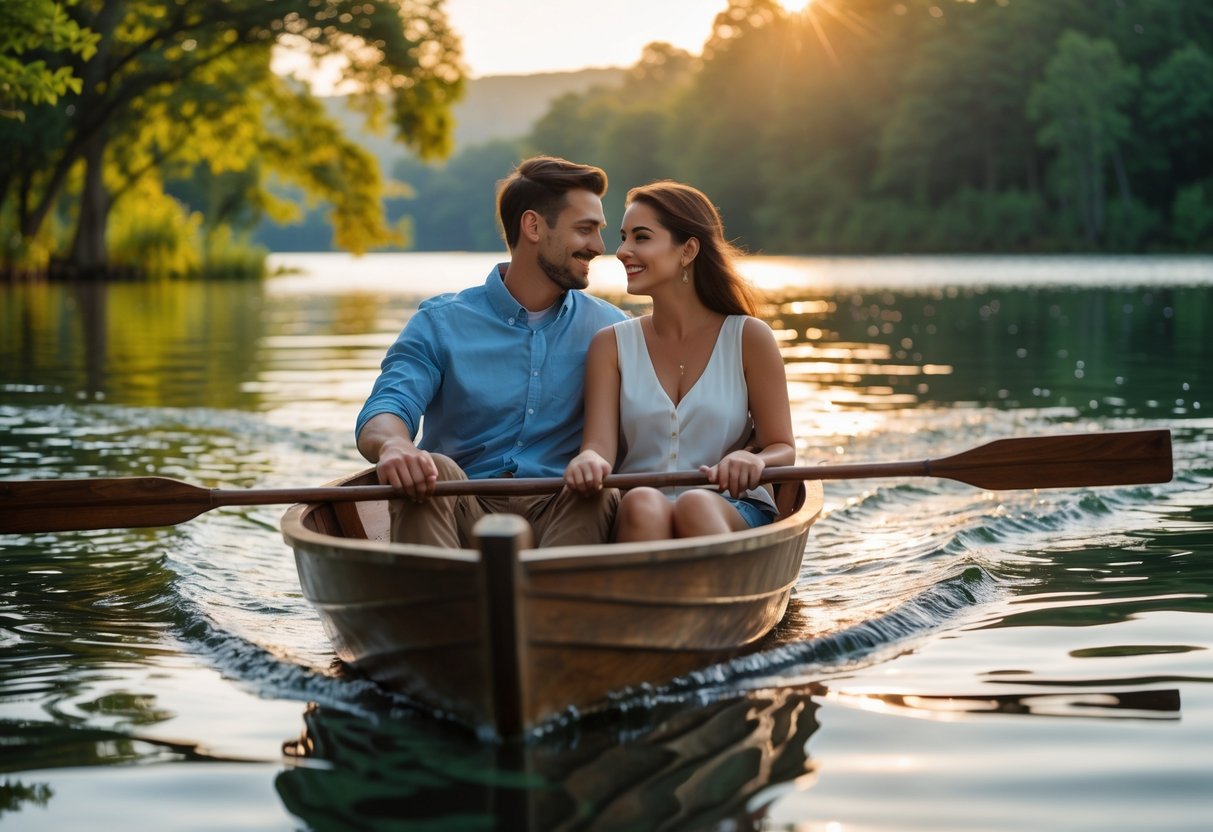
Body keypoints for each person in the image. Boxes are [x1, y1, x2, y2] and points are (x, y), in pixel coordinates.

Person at [356, 156, 628, 548]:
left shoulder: (612, 329)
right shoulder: (440, 322)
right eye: (585, 230)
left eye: (599, 232)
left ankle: (558, 605)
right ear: (533, 226)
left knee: (599, 487)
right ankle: (439, 601)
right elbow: (387, 406)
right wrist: (394, 445)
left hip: (564, 510)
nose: (599, 248)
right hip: (459, 507)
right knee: (432, 466)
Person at [563, 181, 795, 541]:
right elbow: (599, 448)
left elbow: (783, 448)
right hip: (638, 512)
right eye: (624, 237)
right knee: (642, 501)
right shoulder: (610, 345)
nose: (623, 251)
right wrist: (587, 461)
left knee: (696, 504)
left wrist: (755, 460)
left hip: (731, 508)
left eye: (641, 238)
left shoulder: (750, 337)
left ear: (687, 251)